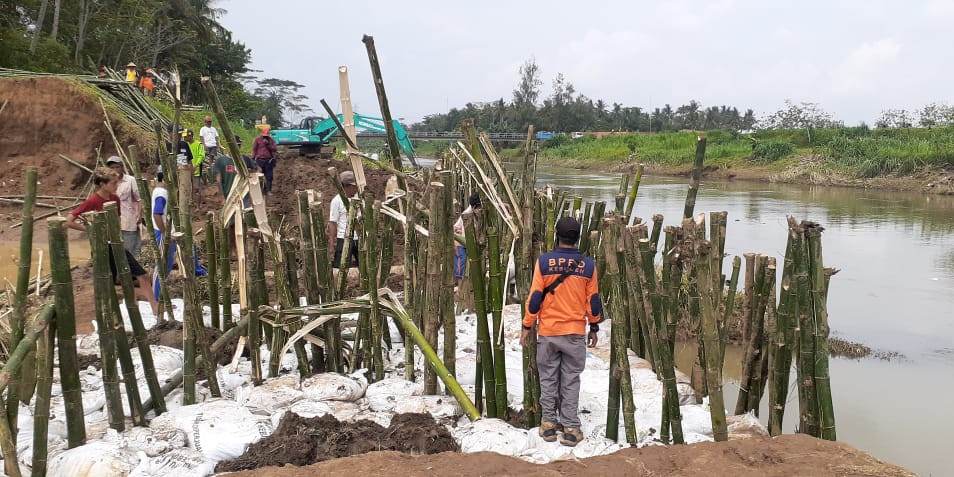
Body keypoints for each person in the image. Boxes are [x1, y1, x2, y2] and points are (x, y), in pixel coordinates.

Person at [521, 216, 602, 447]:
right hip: (575, 332)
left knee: (548, 378)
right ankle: (570, 428)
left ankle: (548, 425)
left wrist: (527, 325)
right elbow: (593, 301)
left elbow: (535, 298)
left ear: (557, 235)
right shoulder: (588, 265)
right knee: (570, 380)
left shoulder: (544, 262)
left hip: (548, 332)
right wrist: (593, 326)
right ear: (578, 237)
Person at [66, 167, 158, 315]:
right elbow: (69, 221)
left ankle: (155, 307)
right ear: (102, 184)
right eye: (113, 183)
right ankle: (110, 314)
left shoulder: (115, 199)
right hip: (102, 248)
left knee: (142, 275)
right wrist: (90, 229)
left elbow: (116, 219)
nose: (116, 186)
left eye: (117, 182)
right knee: (108, 283)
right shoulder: (92, 201)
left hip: (116, 245)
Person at [150, 172, 206, 300]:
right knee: (163, 265)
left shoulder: (162, 191)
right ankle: (156, 298)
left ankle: (197, 270)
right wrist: (165, 234)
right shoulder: (161, 194)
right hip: (164, 233)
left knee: (191, 246)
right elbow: (156, 214)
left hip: (172, 231)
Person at [105, 156, 142, 257]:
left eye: (117, 167)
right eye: (112, 168)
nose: (115, 170)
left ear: (122, 167)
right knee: (115, 252)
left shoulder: (130, 180)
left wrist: (139, 214)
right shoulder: (105, 182)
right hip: (112, 222)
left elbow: (139, 199)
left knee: (130, 252)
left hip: (128, 220)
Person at [328, 171, 359, 268]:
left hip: (360, 237)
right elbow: (333, 223)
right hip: (344, 238)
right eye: (354, 186)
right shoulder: (336, 201)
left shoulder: (360, 197)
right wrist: (332, 244)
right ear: (346, 186)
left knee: (365, 265)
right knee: (341, 267)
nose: (356, 188)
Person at [453, 193, 481, 288]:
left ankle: (466, 288)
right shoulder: (466, 214)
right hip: (461, 244)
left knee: (469, 268)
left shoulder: (477, 214)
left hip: (469, 245)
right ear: (474, 206)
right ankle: (460, 290)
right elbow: (455, 228)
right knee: (460, 268)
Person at [252, 127, 278, 194]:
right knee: (259, 176)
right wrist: (252, 158)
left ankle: (269, 190)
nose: (265, 137)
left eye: (266, 136)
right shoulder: (257, 139)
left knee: (269, 176)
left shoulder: (271, 140)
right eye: (264, 136)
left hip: (268, 161)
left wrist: (268, 144)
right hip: (259, 160)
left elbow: (274, 149)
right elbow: (254, 149)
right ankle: (261, 190)